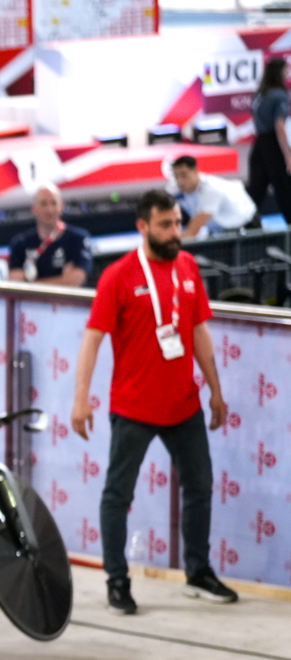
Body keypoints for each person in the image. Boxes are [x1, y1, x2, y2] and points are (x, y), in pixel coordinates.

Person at [72, 188, 234, 614]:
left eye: (178, 222)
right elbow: (92, 340)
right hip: (133, 408)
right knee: (117, 495)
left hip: (184, 404)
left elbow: (199, 331)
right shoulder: (119, 275)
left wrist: (215, 389)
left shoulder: (188, 267)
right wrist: (80, 399)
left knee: (200, 486)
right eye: (166, 224)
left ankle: (198, 573)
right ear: (143, 226)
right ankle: (118, 580)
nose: (175, 231)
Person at [7, 184, 90, 286]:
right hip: (34, 302)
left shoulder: (79, 239)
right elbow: (15, 284)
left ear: (61, 206)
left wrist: (29, 283)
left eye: (54, 203)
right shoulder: (20, 243)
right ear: (34, 209)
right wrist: (62, 280)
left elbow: (74, 282)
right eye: (43, 204)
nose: (49, 210)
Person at [245, 57, 291, 224]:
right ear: (279, 72)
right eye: (286, 70)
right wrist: (288, 155)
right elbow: (279, 126)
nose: (288, 73)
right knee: (285, 188)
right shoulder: (280, 95)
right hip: (272, 145)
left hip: (259, 145)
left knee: (256, 190)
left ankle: (245, 225)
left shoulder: (260, 94)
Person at [168, 155, 255, 240]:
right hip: (220, 230)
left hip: (248, 227)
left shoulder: (211, 189)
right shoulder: (174, 188)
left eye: (184, 175)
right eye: (176, 176)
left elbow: (192, 231)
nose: (180, 181)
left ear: (195, 171)